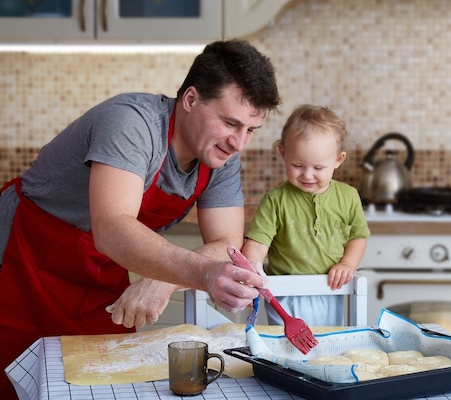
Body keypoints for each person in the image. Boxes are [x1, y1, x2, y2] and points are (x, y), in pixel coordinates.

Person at [0, 40, 280, 400]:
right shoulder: (132, 122)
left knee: (101, 384)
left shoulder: (219, 155)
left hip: (99, 267)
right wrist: (198, 273)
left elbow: (226, 244)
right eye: (230, 123)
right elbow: (113, 227)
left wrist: (163, 282)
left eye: (250, 130)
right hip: (21, 257)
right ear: (191, 100)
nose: (239, 143)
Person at [241, 104, 370, 326]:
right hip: (286, 293)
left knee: (326, 345)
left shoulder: (349, 196)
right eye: (298, 165)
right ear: (283, 153)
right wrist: (253, 267)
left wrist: (347, 264)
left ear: (338, 160)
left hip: (332, 288)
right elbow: (257, 244)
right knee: (288, 348)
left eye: (318, 168)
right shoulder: (275, 200)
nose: (308, 175)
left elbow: (358, 236)